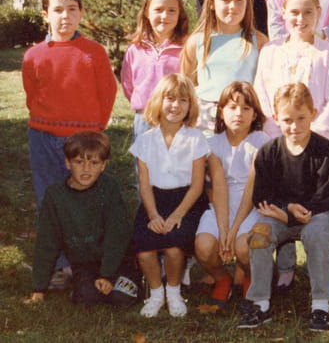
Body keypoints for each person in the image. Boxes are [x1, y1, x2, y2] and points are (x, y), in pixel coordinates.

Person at [22, 0, 117, 287]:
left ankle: (89, 262)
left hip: (82, 138)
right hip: (43, 137)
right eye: (58, 10)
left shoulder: (93, 52)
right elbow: (31, 93)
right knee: (50, 198)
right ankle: (58, 264)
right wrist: (47, 120)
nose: (65, 16)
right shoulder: (34, 55)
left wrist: (94, 130)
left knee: (85, 199)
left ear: (81, 14)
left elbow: (108, 92)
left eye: (72, 10)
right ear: (45, 15)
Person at [239, 83, 329, 331]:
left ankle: (321, 304)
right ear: (275, 118)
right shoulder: (268, 152)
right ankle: (260, 302)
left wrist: (296, 214)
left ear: (313, 114)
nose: (295, 126)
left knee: (318, 235)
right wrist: (287, 210)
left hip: (314, 214)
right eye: (287, 120)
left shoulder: (325, 149)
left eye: (301, 118)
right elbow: (261, 195)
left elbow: (325, 194)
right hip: (279, 214)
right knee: (259, 235)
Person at [25, 132, 138, 307]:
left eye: (94, 163)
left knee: (121, 298)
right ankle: (83, 285)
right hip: (84, 263)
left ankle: (135, 276)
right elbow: (46, 242)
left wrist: (107, 275)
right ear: (67, 163)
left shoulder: (109, 188)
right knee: (87, 298)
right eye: (79, 162)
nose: (86, 169)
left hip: (116, 260)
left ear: (103, 165)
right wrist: (39, 289)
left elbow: (117, 235)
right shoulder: (55, 194)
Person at [131, 73, 210, 318]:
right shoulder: (145, 140)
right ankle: (156, 293)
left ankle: (174, 291)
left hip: (186, 201)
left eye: (183, 100)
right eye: (170, 98)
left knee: (174, 247)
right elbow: (144, 185)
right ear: (158, 101)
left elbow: (197, 185)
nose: (176, 105)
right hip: (154, 201)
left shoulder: (195, 138)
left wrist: (177, 215)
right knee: (145, 249)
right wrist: (153, 215)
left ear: (190, 106)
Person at [194, 81, 271, 308]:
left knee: (243, 247)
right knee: (204, 247)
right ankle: (222, 279)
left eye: (246, 108)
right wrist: (223, 230)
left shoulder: (262, 142)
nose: (239, 114)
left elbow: (251, 190)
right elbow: (217, 189)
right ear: (221, 111)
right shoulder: (211, 144)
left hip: (251, 206)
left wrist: (234, 229)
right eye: (232, 107)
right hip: (221, 206)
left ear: (254, 114)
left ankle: (251, 277)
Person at [254, 0, 329, 140]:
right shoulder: (270, 51)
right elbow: (261, 95)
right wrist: (276, 130)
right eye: (294, 12)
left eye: (308, 12)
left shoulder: (328, 53)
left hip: (316, 139)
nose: (301, 19)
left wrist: (312, 134)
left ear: (318, 12)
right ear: (283, 13)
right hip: (276, 137)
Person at [121, 0, 190, 184]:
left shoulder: (186, 47)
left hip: (176, 119)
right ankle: (147, 205)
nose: (164, 16)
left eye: (171, 10)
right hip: (145, 120)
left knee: (175, 173)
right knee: (145, 175)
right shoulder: (135, 49)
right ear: (147, 12)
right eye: (158, 10)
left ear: (179, 14)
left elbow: (191, 83)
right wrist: (146, 105)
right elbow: (128, 84)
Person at [181, 0, 267, 134]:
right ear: (212, 4)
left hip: (242, 115)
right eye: (226, 0)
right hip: (205, 117)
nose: (233, 6)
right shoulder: (197, 42)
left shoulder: (259, 41)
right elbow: (187, 85)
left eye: (239, 0)